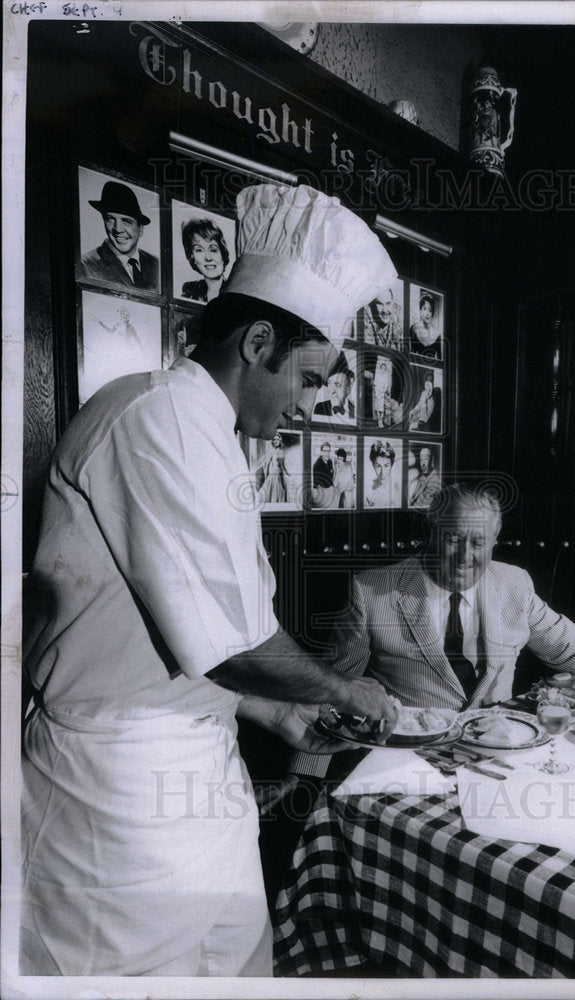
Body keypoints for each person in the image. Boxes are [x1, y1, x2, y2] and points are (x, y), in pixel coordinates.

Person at [21, 183, 400, 978]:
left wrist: (276, 715)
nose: (306, 406)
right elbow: (229, 643)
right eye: (306, 379)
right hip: (116, 800)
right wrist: (342, 690)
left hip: (203, 783)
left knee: (235, 969)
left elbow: (179, 643)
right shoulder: (156, 418)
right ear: (257, 342)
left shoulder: (215, 437)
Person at [291, 482, 575, 779]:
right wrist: (306, 778)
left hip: (501, 758)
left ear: (495, 540)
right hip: (409, 766)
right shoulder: (373, 592)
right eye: (453, 539)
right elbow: (334, 689)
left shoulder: (514, 584)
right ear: (430, 534)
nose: (465, 557)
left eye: (478, 543)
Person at [77, 180, 159, 290]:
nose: (117, 229)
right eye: (110, 219)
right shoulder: (85, 265)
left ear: (141, 229)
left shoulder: (156, 264)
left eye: (126, 221)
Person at [180, 218, 230, 303]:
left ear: (222, 254)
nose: (208, 258)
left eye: (213, 250)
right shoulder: (190, 289)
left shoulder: (234, 290)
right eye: (199, 250)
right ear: (192, 257)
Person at [313, 355, 355, 424]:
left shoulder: (355, 411)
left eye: (337, 385)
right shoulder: (320, 408)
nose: (332, 391)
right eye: (329, 383)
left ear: (348, 388)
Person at [364, 440, 401, 509]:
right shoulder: (367, 489)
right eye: (378, 466)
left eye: (386, 466)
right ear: (373, 466)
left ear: (391, 465)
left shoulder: (398, 489)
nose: (382, 472)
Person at [255, 433, 290, 505]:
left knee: (282, 490)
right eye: (275, 440)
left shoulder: (282, 452)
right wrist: (266, 475)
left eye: (278, 440)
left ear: (280, 441)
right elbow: (267, 465)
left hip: (280, 474)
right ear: (273, 441)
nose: (276, 441)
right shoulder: (271, 451)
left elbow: (283, 466)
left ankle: (279, 504)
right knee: (271, 489)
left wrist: (287, 473)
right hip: (273, 473)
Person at [409, 291, 441, 359]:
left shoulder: (437, 334)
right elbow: (411, 355)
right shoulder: (413, 328)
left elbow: (440, 358)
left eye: (430, 310)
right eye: (424, 309)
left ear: (432, 313)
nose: (427, 313)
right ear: (420, 310)